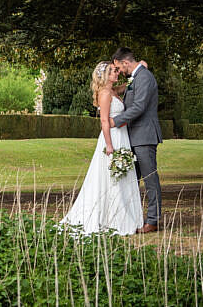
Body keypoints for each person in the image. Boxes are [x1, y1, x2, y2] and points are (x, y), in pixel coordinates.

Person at [60, 61, 143, 235]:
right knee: (111, 177)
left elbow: (125, 85)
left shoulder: (112, 90)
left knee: (123, 175)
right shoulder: (105, 94)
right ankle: (112, 216)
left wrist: (137, 71)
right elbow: (104, 121)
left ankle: (125, 214)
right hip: (112, 137)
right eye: (113, 71)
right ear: (105, 75)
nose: (117, 72)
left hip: (122, 136)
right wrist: (109, 145)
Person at [110, 47, 163, 233]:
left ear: (125, 62)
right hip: (133, 136)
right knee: (132, 180)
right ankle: (133, 218)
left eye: (119, 67)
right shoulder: (136, 77)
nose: (119, 72)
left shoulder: (144, 77)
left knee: (150, 180)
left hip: (145, 136)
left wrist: (114, 121)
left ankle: (153, 221)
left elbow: (139, 107)